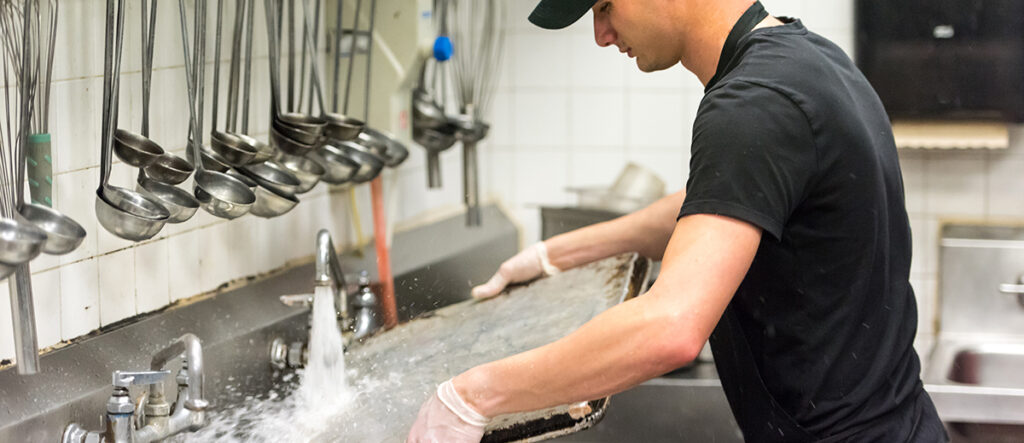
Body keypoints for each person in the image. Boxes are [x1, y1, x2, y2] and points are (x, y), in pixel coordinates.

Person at [407, 0, 949, 441]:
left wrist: (471, 395)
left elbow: (669, 330)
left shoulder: (751, 104)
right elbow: (719, 203)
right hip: (900, 422)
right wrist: (558, 254)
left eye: (604, 7)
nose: (601, 35)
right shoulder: (806, 58)